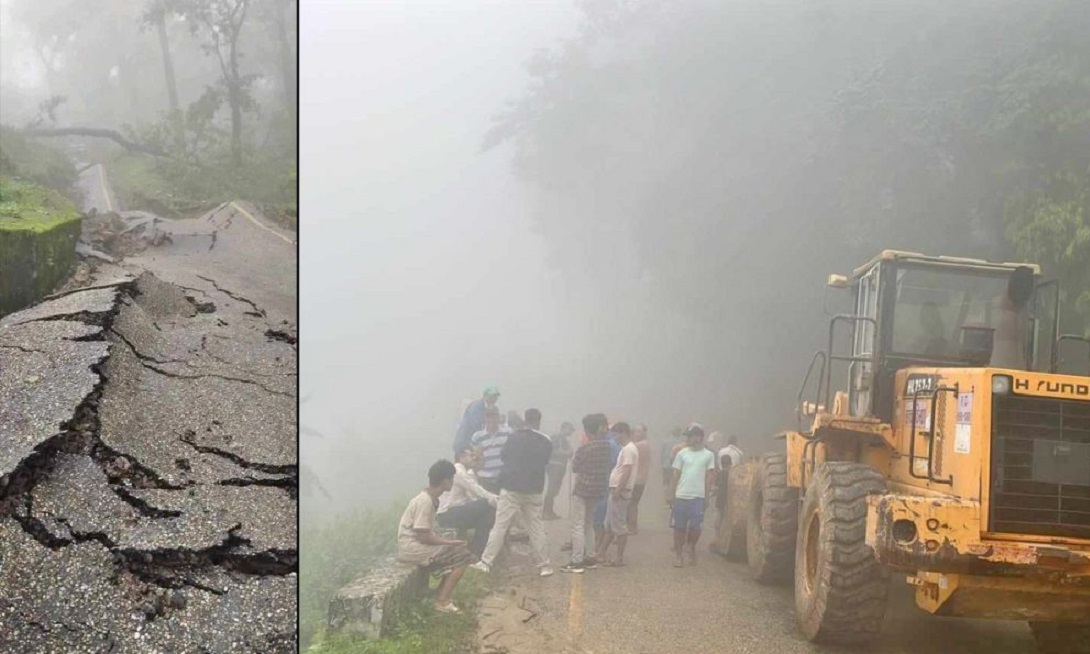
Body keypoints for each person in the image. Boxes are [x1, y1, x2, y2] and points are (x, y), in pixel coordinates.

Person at [472, 409, 555, 577]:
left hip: (511, 488)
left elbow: (504, 456)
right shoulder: (546, 440)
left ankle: (486, 562)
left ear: (526, 420)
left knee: (500, 526)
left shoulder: (514, 437)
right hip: (534, 489)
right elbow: (546, 461)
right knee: (536, 528)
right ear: (539, 421)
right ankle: (544, 565)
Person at [397, 460, 475, 613]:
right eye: (451, 479)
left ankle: (439, 594)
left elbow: (425, 532)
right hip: (412, 547)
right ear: (445, 480)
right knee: (462, 557)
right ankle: (442, 601)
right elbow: (423, 536)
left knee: (456, 553)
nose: (453, 482)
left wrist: (448, 543)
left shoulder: (430, 499)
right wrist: (448, 543)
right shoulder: (425, 501)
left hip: (414, 544)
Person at [561, 414, 611, 573]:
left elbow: (575, 467)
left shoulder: (585, 447)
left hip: (582, 489)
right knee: (588, 523)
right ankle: (590, 557)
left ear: (587, 430)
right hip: (598, 489)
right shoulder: (607, 446)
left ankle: (576, 561)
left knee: (577, 525)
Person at [667, 425, 716, 567]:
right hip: (681, 495)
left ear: (699, 437)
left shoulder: (708, 455)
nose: (687, 439)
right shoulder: (682, 454)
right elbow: (675, 475)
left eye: (690, 436)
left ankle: (691, 545)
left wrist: (707, 496)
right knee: (679, 527)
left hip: (698, 496)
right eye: (687, 436)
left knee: (696, 527)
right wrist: (670, 493)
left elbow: (709, 476)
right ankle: (678, 554)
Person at [438, 446, 498, 557]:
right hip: (448, 513)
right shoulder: (458, 471)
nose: (474, 458)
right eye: (471, 455)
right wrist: (497, 500)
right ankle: (477, 550)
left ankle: (476, 551)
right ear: (461, 457)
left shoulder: (464, 472)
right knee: (486, 504)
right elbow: (476, 490)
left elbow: (473, 495)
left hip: (456, 511)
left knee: (488, 515)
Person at [594, 422, 637, 566]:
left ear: (623, 433)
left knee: (619, 526)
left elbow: (627, 471)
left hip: (620, 491)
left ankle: (619, 558)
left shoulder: (629, 450)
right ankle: (600, 553)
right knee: (610, 525)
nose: (614, 437)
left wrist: (618, 490)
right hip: (616, 490)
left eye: (616, 434)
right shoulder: (625, 449)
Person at [452, 386, 501, 457]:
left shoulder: (492, 408)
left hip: (473, 445)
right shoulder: (477, 407)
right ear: (485, 396)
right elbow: (476, 426)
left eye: (495, 396)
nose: (494, 399)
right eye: (491, 396)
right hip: (464, 445)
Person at [471, 406, 509, 494]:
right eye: (488, 416)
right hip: (485, 479)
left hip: (503, 478)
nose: (492, 419)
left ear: (499, 417)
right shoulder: (477, 437)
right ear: (485, 418)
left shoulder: (508, 433)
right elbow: (474, 459)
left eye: (494, 416)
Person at [544, 422, 575, 520]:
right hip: (554, 465)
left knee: (556, 489)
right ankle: (545, 511)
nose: (570, 432)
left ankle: (549, 510)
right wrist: (564, 453)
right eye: (569, 429)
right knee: (552, 488)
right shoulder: (554, 438)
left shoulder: (565, 440)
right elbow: (549, 451)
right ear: (564, 428)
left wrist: (567, 453)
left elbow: (570, 451)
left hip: (561, 466)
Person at [714, 436, 743, 535]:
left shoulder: (721, 451)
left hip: (720, 497)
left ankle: (717, 533)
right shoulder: (739, 453)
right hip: (732, 492)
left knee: (719, 514)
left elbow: (716, 482)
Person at [627, 424, 652, 535]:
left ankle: (631, 527)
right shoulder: (644, 444)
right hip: (640, 479)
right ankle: (632, 526)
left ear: (644, 433)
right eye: (635, 431)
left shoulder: (640, 445)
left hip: (636, 479)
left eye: (639, 431)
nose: (636, 434)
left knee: (631, 504)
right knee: (633, 504)